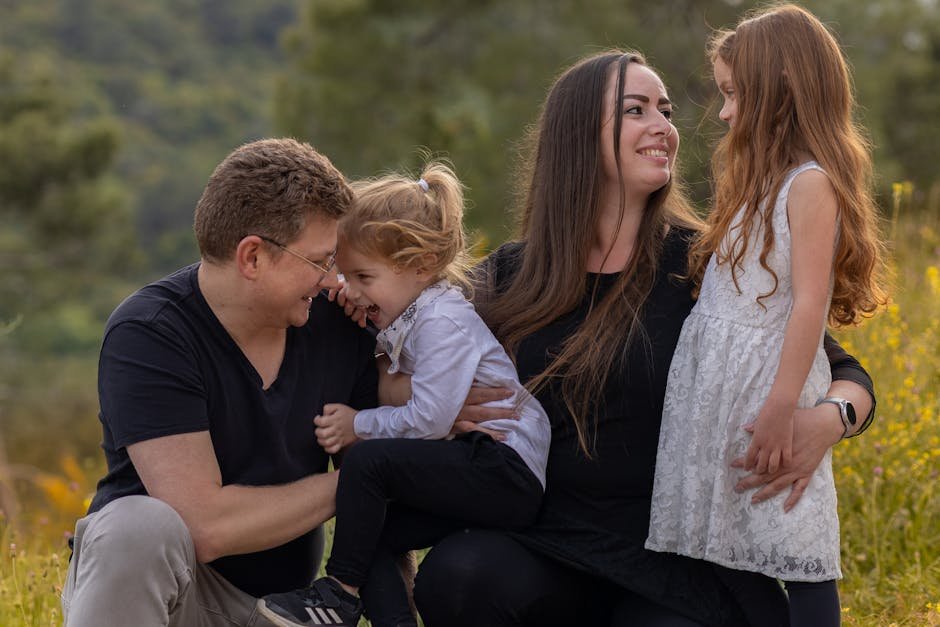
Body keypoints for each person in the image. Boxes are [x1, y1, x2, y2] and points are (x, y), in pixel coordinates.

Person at [411, 50, 876, 626]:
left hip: (672, 562)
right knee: (458, 576)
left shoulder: (710, 262)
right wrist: (443, 408)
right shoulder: (512, 274)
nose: (664, 126)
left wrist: (829, 421)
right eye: (636, 110)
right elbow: (405, 342)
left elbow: (847, 372)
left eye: (666, 109)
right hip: (545, 539)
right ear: (578, 136)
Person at [60, 138, 380, 626]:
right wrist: (364, 484)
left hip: (286, 610)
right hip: (173, 601)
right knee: (136, 527)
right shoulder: (151, 333)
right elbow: (202, 524)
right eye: (321, 261)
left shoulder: (340, 325)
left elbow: (381, 448)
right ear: (252, 257)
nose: (333, 279)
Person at [646, 6, 886, 626]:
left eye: (733, 93)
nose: (723, 112)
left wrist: (783, 407)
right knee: (726, 546)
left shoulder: (809, 183)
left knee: (796, 539)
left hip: (765, 390)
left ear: (778, 85)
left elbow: (807, 301)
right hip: (718, 389)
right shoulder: (757, 178)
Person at [257, 162, 551, 627]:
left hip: (502, 468)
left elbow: (430, 420)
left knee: (364, 462)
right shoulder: (409, 315)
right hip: (476, 465)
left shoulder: (442, 322)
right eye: (344, 274)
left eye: (364, 278)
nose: (350, 291)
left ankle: (337, 594)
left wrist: (359, 424)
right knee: (366, 530)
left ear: (419, 267)